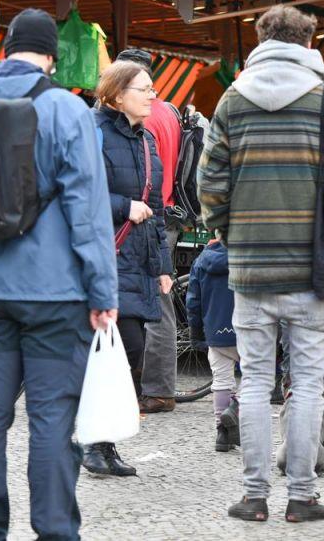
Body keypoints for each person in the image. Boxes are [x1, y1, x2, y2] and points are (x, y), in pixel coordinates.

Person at [0, 8, 117, 539]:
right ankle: (55, 530)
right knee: (51, 422)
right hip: (54, 294)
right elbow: (88, 209)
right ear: (51, 57)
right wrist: (101, 290)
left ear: (6, 48)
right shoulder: (67, 110)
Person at [198, 5, 324, 523]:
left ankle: (254, 496)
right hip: (310, 265)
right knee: (309, 383)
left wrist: (228, 231)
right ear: (308, 41)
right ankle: (300, 496)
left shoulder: (232, 99)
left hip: (248, 265)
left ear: (261, 39)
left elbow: (209, 183)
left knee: (252, 380)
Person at [84, 61, 173, 477]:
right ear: (118, 94)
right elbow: (79, 193)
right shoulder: (93, 132)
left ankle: (103, 442)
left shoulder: (146, 138)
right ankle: (90, 441)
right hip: (103, 256)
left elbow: (154, 207)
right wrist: (124, 207)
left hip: (136, 259)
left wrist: (163, 264)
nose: (152, 95)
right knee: (116, 350)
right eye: (145, 89)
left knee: (130, 353)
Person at [115, 48, 182, 415]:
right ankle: (159, 387)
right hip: (166, 211)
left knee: (147, 305)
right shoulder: (169, 112)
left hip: (142, 219)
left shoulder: (139, 120)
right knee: (160, 300)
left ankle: (154, 388)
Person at [186, 239, 240, 452]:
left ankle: (222, 435)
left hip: (216, 332)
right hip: (248, 330)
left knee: (221, 381)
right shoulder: (249, 255)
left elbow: (193, 302)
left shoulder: (201, 260)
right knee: (257, 378)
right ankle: (237, 408)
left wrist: (197, 333)